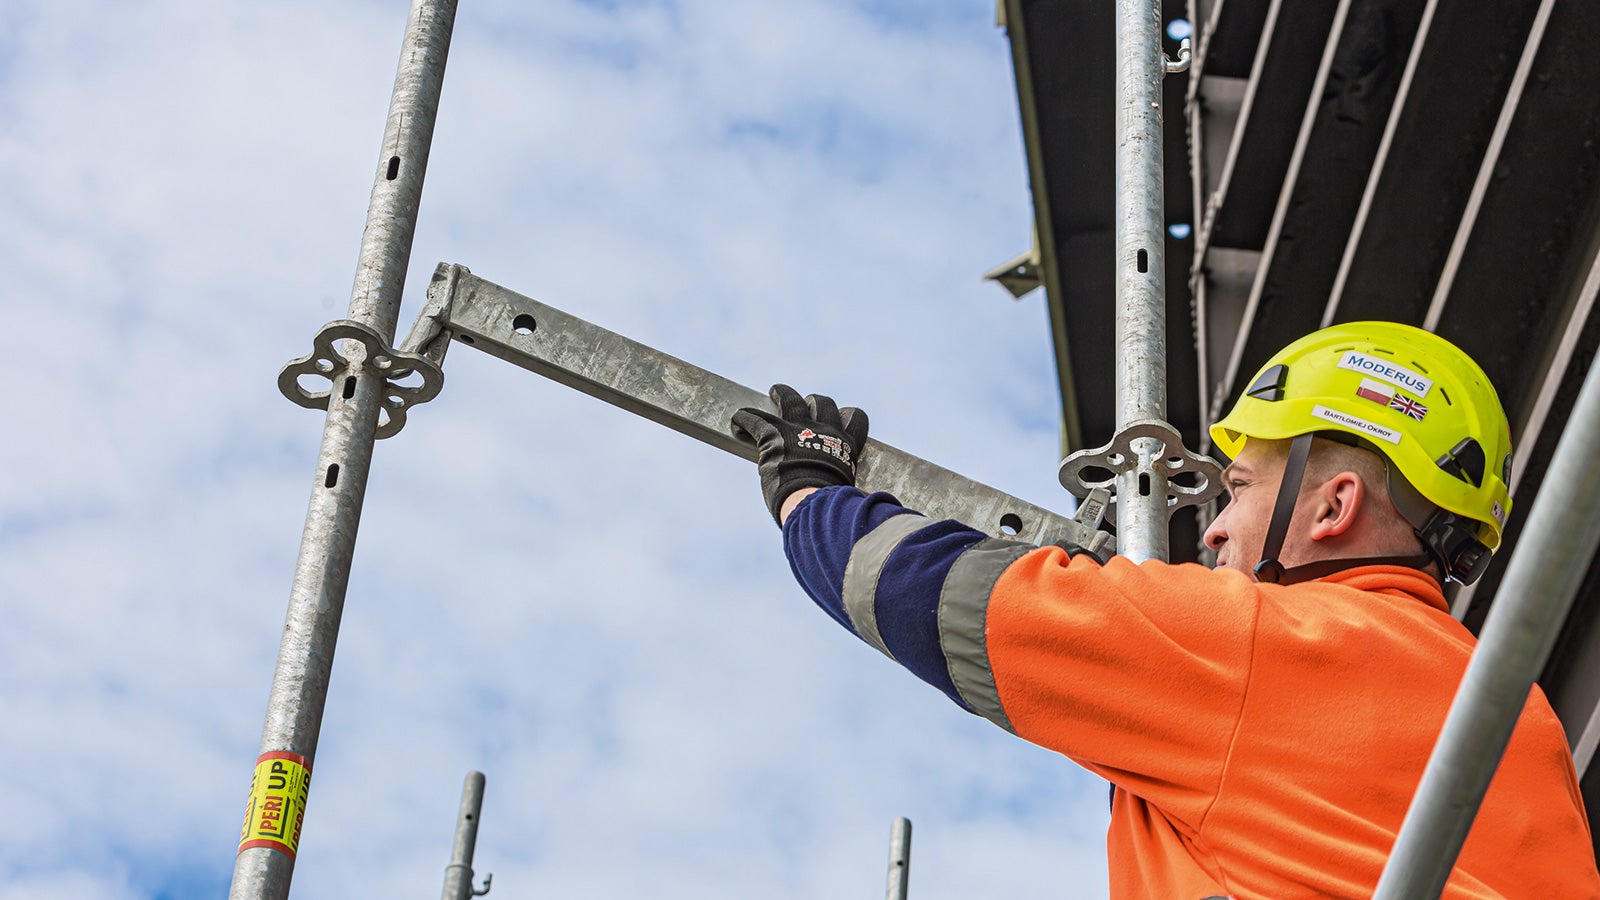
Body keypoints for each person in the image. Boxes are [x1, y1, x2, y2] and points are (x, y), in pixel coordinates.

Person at [731, 322, 1600, 899]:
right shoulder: (1525, 727)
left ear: (1332, 508)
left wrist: (809, 495)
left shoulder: (1267, 644)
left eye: (1243, 489)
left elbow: (940, 596)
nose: (1212, 528)